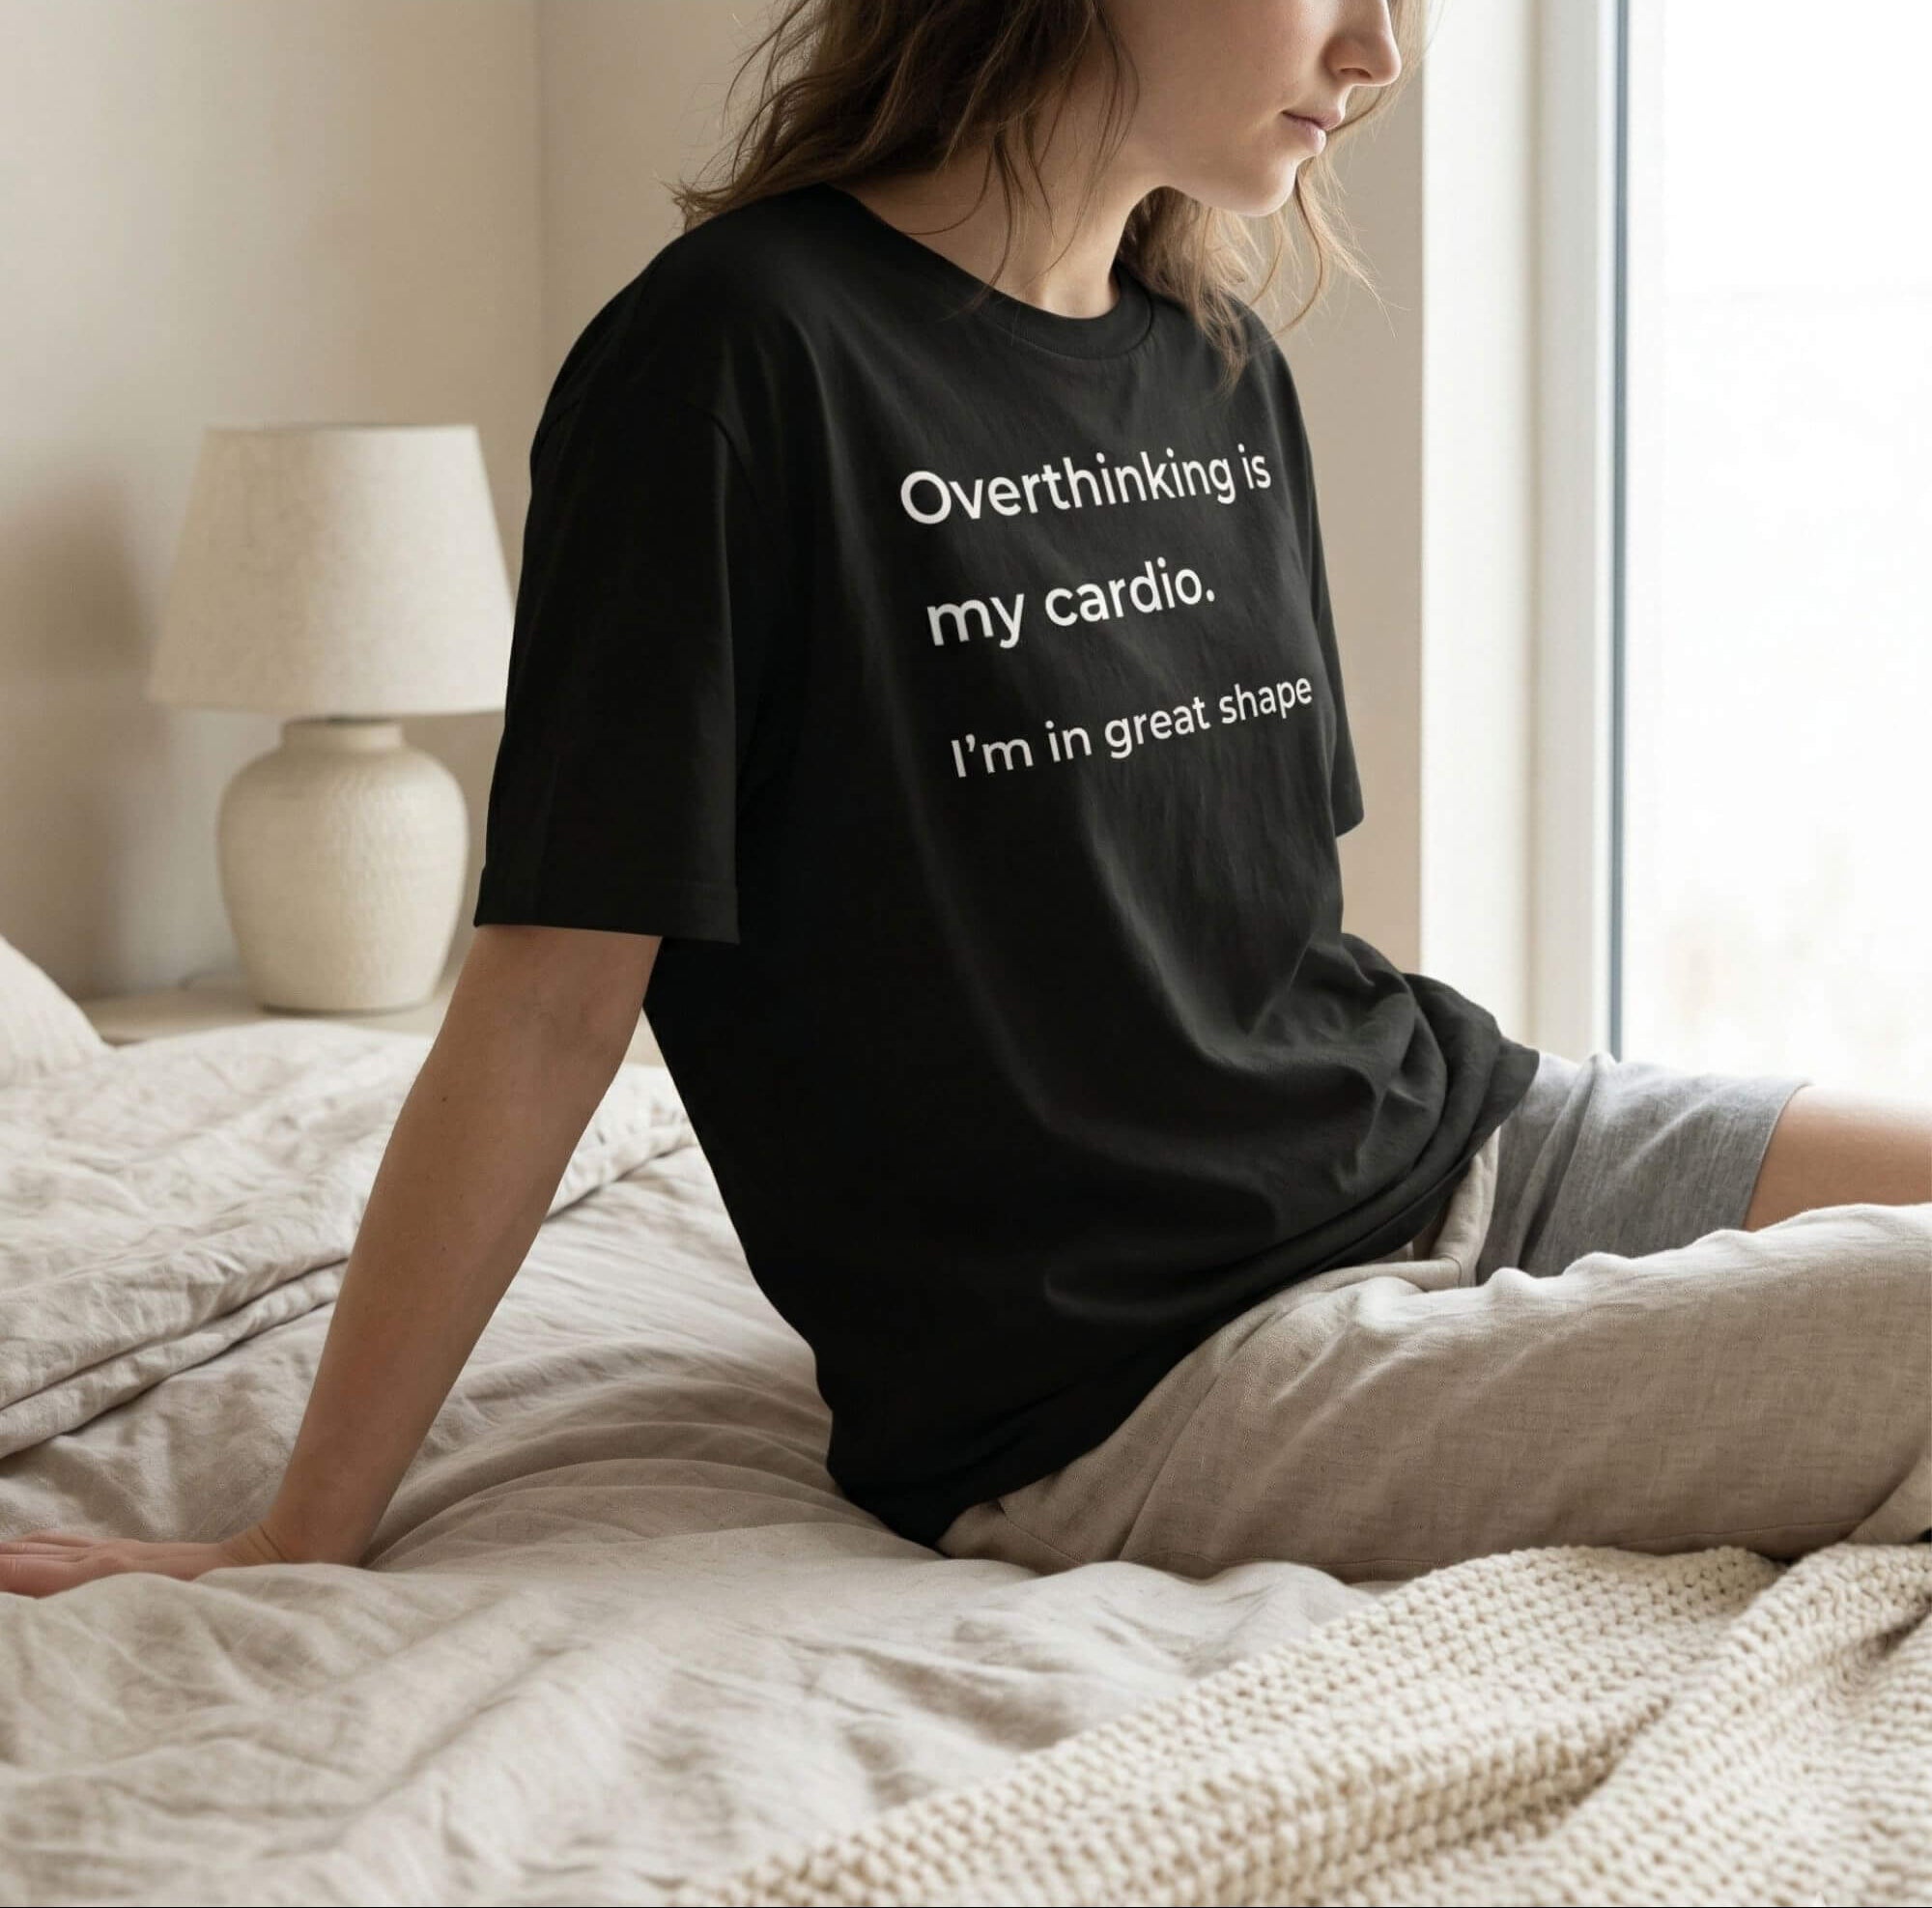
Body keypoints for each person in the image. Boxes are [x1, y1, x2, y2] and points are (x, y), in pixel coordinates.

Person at [6, 0, 1928, 1601]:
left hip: (1468, 1137)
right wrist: (294, 1531)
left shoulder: (1211, 360)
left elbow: (1239, 941)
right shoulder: (732, 363)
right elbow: (547, 1001)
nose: (1376, 53)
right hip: (1137, 1387)